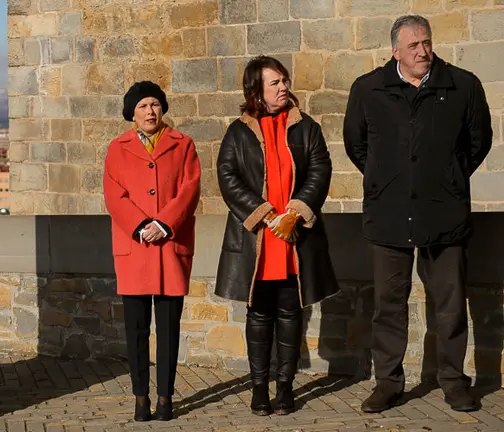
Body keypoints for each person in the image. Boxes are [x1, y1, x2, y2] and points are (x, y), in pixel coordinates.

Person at [343, 15, 492, 413]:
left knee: (449, 305)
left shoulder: (462, 86)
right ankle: (388, 384)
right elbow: (356, 146)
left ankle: (454, 382)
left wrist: (447, 180)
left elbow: (478, 143)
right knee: (388, 307)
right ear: (395, 51)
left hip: (444, 215)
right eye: (413, 46)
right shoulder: (368, 89)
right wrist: (385, 183)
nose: (423, 51)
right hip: (388, 216)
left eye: (426, 42)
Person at [214, 56, 340, 416]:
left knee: (290, 312)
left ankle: (284, 387)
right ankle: (259, 388)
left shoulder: (307, 127)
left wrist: (295, 213)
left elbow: (320, 169)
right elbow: (227, 177)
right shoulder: (238, 132)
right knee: (259, 314)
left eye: (284, 81)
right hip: (258, 239)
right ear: (256, 91)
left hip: (296, 238)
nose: (284, 87)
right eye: (275, 83)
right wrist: (267, 215)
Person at [103, 81, 201, 422]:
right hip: (135, 248)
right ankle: (140, 398)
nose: (150, 111)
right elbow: (113, 194)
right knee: (137, 330)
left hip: (170, 246)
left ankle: (165, 398)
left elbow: (190, 190)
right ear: (132, 112)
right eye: (143, 105)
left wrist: (164, 223)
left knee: (169, 330)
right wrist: (140, 224)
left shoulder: (184, 145)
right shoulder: (117, 148)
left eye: (155, 105)